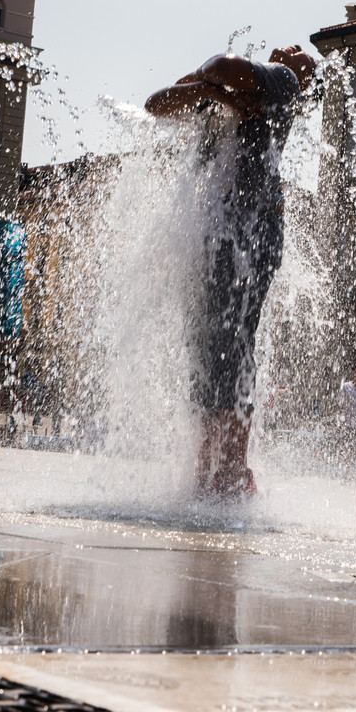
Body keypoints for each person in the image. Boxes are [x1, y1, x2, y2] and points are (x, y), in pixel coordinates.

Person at [146, 44, 317, 500]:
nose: (296, 50)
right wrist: (212, 92)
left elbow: (222, 65)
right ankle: (207, 470)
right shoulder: (228, 93)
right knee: (205, 350)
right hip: (213, 238)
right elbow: (155, 104)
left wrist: (210, 82)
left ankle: (235, 471)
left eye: (302, 55)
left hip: (249, 238)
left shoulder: (283, 81)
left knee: (235, 346)